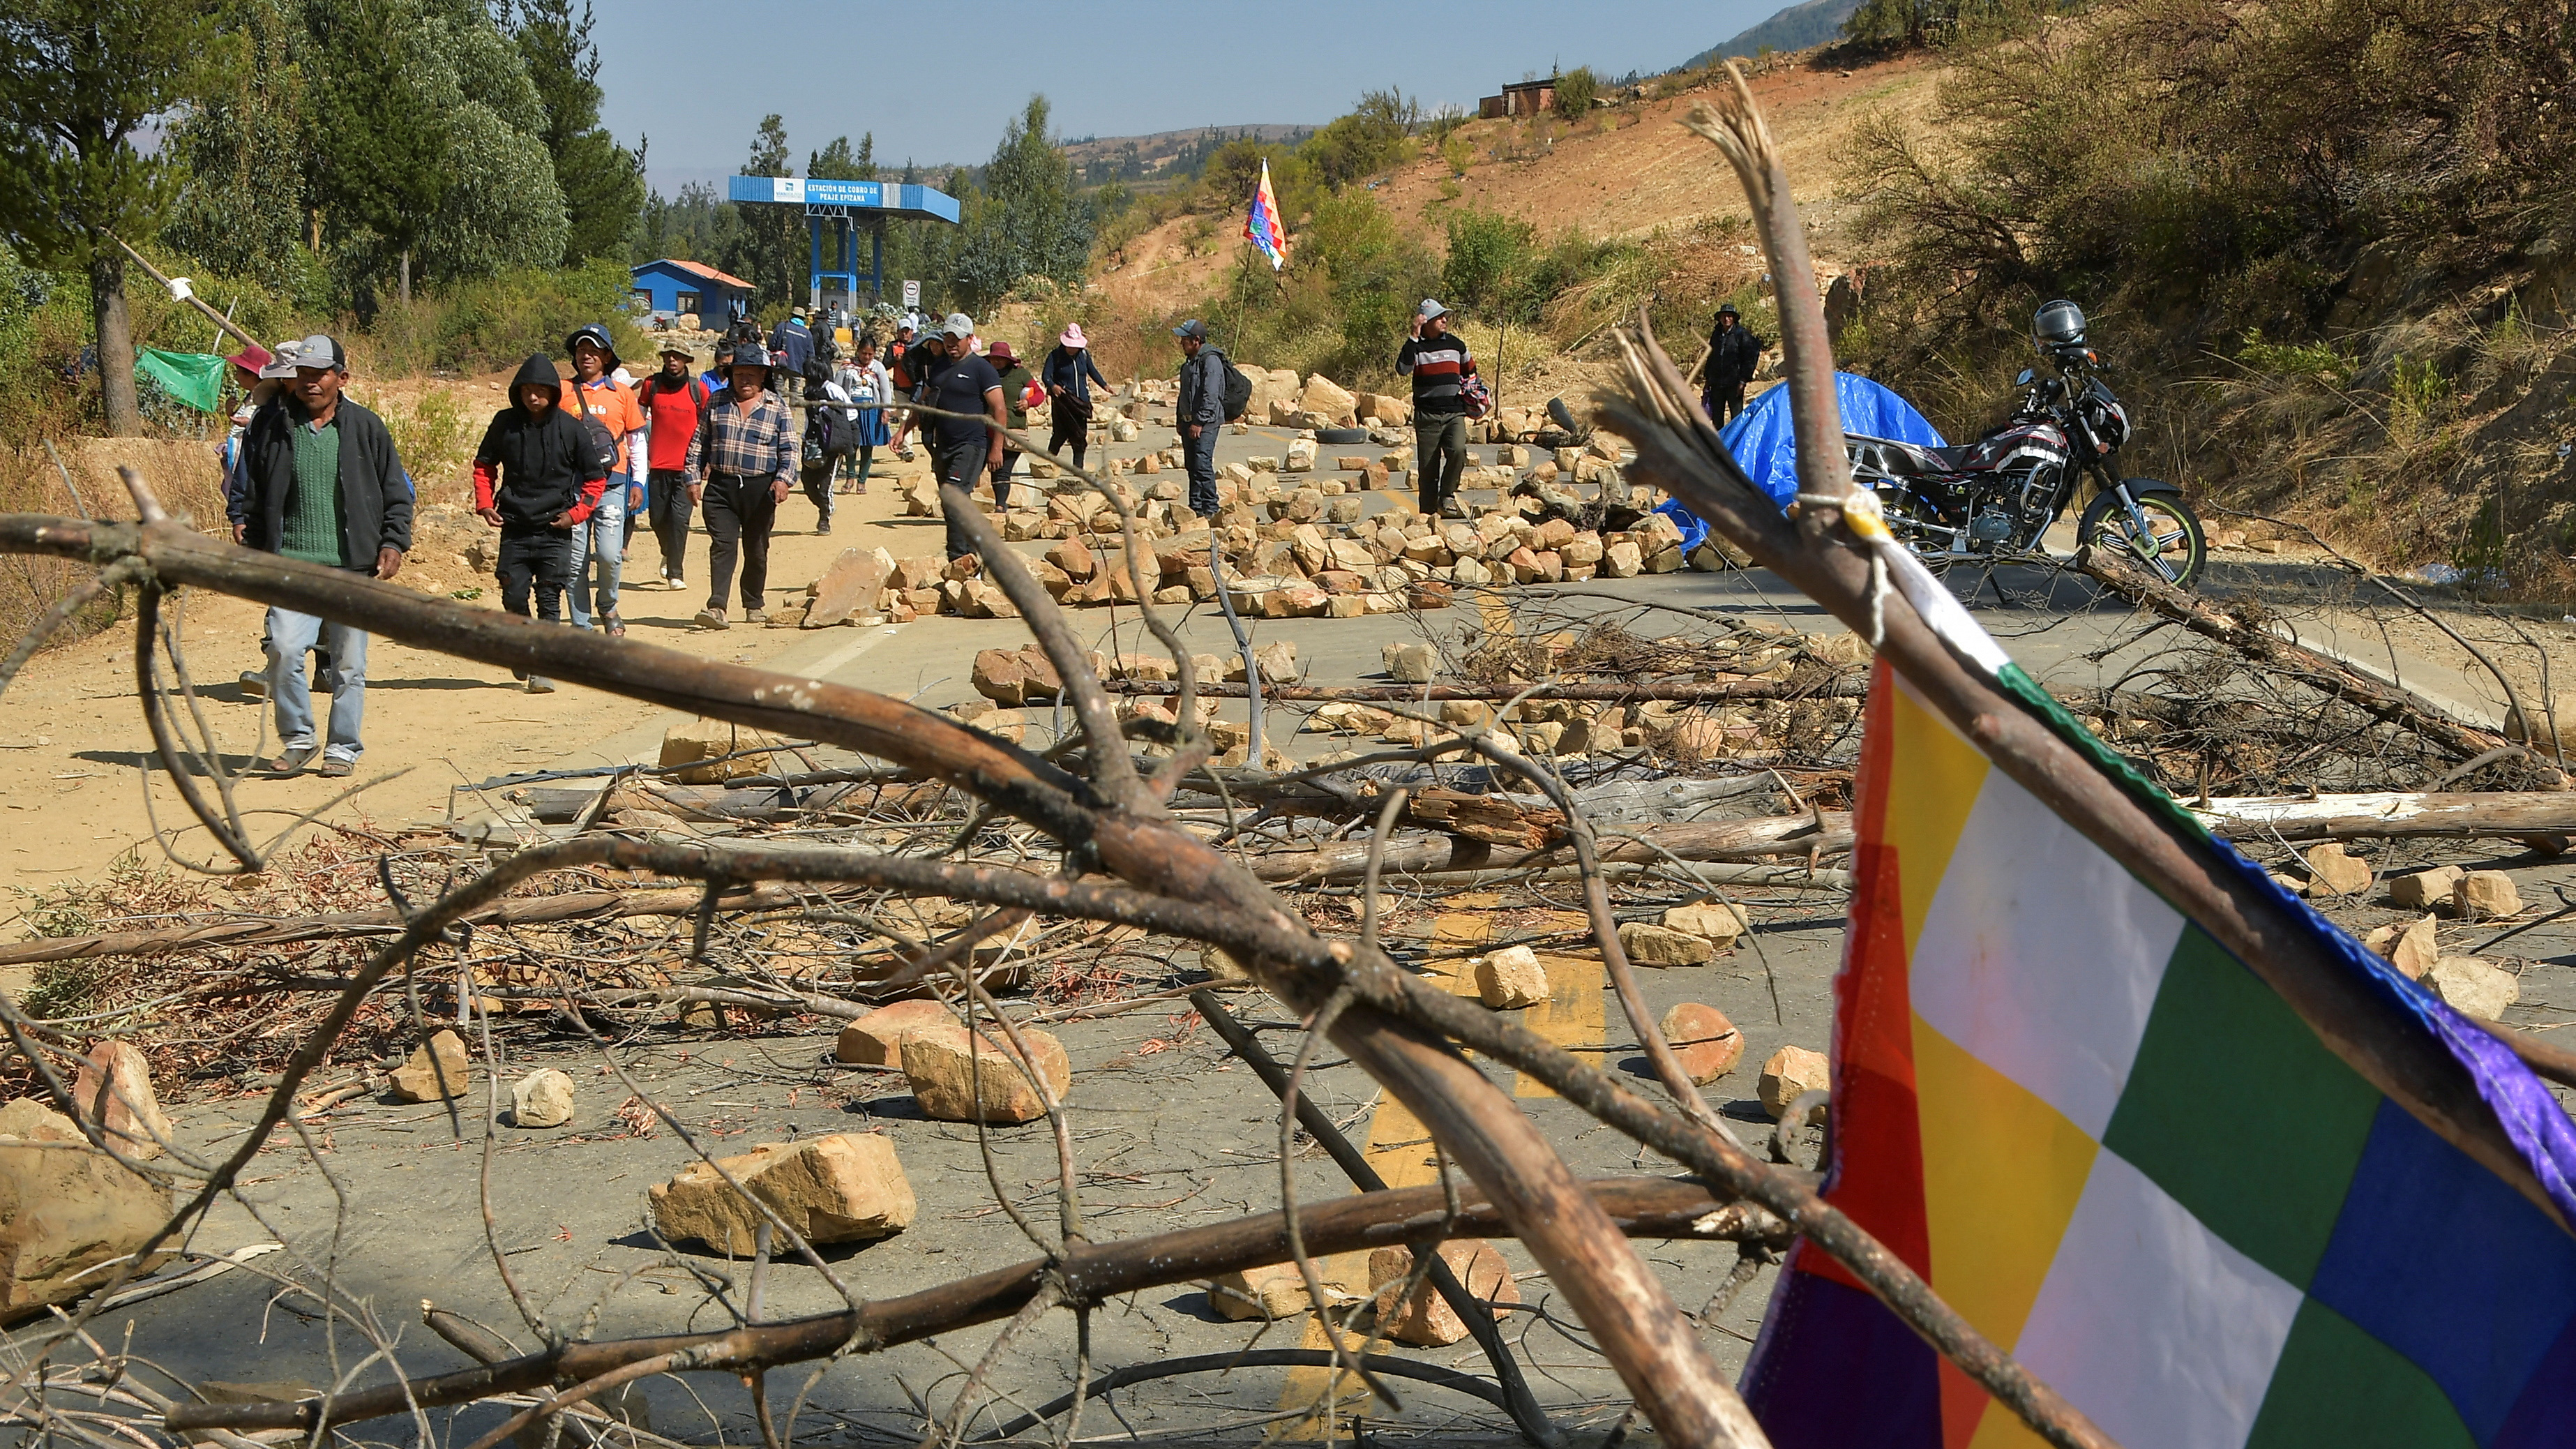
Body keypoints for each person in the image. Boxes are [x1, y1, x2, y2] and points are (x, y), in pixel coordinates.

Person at [233, 335, 412, 776]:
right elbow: (251, 488)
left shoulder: (366, 428)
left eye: (321, 375)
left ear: (342, 378)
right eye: (304, 375)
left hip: (352, 566)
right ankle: (298, 739)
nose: (311, 383)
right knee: (284, 650)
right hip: (291, 563)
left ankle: (343, 747)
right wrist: (246, 529)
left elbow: (396, 492)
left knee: (349, 665)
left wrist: (393, 542)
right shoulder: (272, 428)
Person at [474, 355, 605, 692]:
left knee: (549, 598)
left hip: (555, 528)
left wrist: (575, 515)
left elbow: (595, 479)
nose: (534, 397)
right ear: (518, 392)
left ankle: (542, 668)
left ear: (553, 392)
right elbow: (484, 466)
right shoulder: (504, 424)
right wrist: (486, 504)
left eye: (541, 391)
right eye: (527, 391)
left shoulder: (572, 429)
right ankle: (521, 649)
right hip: (514, 526)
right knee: (513, 595)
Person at [685, 343, 797, 629]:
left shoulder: (777, 407)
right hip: (722, 487)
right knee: (723, 545)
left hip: (761, 490)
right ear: (730, 375)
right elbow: (699, 442)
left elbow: (791, 451)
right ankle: (717, 606)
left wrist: (783, 480)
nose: (744, 381)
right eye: (738, 375)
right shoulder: (717, 402)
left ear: (762, 376)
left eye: (751, 375)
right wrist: (692, 478)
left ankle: (753, 602)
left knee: (756, 548)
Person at [558, 325, 644, 636]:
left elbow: (637, 441)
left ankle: (607, 605)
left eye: (594, 350)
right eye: (582, 350)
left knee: (609, 555)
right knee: (575, 559)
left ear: (607, 356)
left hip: (613, 484)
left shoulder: (622, 394)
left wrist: (639, 483)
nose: (587, 356)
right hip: (573, 488)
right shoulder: (562, 392)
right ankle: (581, 625)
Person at [901, 314, 1004, 561]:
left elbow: (999, 409)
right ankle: (973, 553)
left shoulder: (982, 370)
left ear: (970, 339)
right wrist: (903, 431)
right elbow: (923, 404)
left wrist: (997, 448)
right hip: (942, 445)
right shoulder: (939, 367)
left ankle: (957, 558)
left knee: (955, 498)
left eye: (956, 339)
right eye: (947, 338)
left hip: (970, 445)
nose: (951, 343)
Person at [638, 343, 709, 591]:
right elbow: (638, 416)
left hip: (688, 468)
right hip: (657, 464)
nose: (672, 361)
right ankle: (668, 551)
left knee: (680, 519)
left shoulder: (697, 389)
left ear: (686, 360)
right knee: (657, 519)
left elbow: (707, 426)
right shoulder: (651, 385)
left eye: (677, 357)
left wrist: (706, 461)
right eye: (668, 356)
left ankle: (676, 573)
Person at [1397, 299, 1476, 518]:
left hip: (1454, 413)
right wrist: (1413, 336)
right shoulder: (1417, 346)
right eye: (1440, 317)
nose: (1444, 320)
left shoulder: (1456, 344)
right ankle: (1428, 515)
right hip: (1427, 416)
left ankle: (1447, 494)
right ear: (1426, 322)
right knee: (1428, 469)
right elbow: (1403, 369)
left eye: (1446, 317)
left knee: (1458, 451)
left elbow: (1470, 370)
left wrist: (1475, 396)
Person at [1173, 319, 1224, 518]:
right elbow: (1184, 393)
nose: (1181, 343)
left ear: (1196, 340)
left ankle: (1211, 508)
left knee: (1202, 464)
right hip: (1188, 422)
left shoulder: (1210, 361)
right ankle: (1195, 508)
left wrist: (1199, 422)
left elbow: (1210, 395)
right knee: (1191, 465)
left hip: (1206, 423)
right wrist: (1180, 419)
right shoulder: (1188, 363)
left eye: (1184, 339)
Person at [799, 354, 854, 534]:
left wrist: (849, 442)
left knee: (825, 486)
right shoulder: (808, 392)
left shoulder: (833, 390)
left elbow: (852, 413)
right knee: (807, 482)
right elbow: (809, 418)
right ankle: (825, 507)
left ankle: (825, 518)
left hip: (833, 444)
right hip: (813, 443)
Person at [1041, 324, 1106, 470]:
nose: (1072, 349)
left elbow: (1092, 371)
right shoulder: (1055, 356)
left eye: (1075, 347)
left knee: (1080, 435)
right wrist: (1053, 386)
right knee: (1060, 433)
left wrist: (1104, 385)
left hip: (1081, 401)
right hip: (1063, 401)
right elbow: (1046, 376)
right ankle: (1047, 463)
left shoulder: (1084, 355)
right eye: (1070, 346)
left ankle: (1078, 468)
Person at [836, 335, 893, 495]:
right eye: (863, 353)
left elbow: (885, 390)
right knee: (851, 446)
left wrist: (886, 410)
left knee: (867, 447)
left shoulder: (878, 368)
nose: (866, 357)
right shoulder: (847, 367)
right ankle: (850, 478)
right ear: (858, 351)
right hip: (851, 412)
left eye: (870, 354)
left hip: (871, 412)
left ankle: (862, 481)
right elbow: (837, 389)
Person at [988, 340, 1034, 507]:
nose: (997, 362)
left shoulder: (1020, 374)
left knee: (1003, 470)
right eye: (994, 358)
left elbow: (1038, 393)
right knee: (994, 469)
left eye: (1001, 358)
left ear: (1008, 359)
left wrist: (1029, 403)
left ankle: (1000, 506)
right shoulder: (985, 374)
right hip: (988, 430)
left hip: (1014, 430)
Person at [1703, 301, 1763, 425]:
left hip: (1734, 383)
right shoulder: (1716, 334)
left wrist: (1743, 380)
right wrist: (1708, 379)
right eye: (1724, 316)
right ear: (1720, 318)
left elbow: (1749, 357)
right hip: (1717, 383)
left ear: (1734, 318)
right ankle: (1719, 443)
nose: (1726, 319)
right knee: (1717, 419)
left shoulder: (1741, 334)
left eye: (1729, 316)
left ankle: (1735, 443)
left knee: (1736, 418)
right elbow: (1711, 356)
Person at [769, 306, 813, 407]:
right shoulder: (807, 333)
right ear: (803, 318)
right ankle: (791, 414)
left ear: (792, 316)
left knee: (778, 390)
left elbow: (772, 344)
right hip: (798, 367)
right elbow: (810, 354)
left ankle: (777, 412)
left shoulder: (782, 326)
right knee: (793, 393)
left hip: (781, 364)